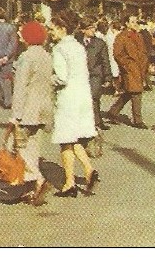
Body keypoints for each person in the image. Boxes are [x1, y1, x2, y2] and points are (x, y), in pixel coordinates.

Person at [48, 13, 99, 197]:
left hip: (68, 99)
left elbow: (61, 77)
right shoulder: (78, 46)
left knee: (65, 140)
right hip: (83, 97)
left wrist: (48, 79)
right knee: (74, 138)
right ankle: (88, 170)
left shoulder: (59, 49)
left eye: (52, 29)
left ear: (62, 29)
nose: (50, 32)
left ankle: (70, 184)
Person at [10, 21, 54, 206]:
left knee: (19, 145)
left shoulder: (26, 57)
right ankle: (33, 189)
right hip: (43, 107)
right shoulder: (46, 55)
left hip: (28, 108)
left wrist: (15, 115)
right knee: (33, 146)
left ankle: (38, 179)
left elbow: (20, 87)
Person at [105, 16, 149, 129]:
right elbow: (117, 54)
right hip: (130, 69)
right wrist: (127, 65)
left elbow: (143, 51)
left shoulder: (139, 36)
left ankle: (113, 112)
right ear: (127, 23)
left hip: (139, 68)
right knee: (136, 92)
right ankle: (137, 120)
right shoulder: (122, 36)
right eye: (133, 22)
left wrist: (144, 64)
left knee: (130, 92)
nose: (135, 24)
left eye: (136, 22)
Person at [81, 19, 112, 131]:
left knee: (94, 97)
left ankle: (98, 122)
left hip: (96, 74)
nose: (93, 30)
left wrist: (108, 77)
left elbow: (105, 61)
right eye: (90, 28)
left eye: (94, 27)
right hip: (82, 74)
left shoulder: (100, 43)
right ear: (83, 30)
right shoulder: (78, 42)